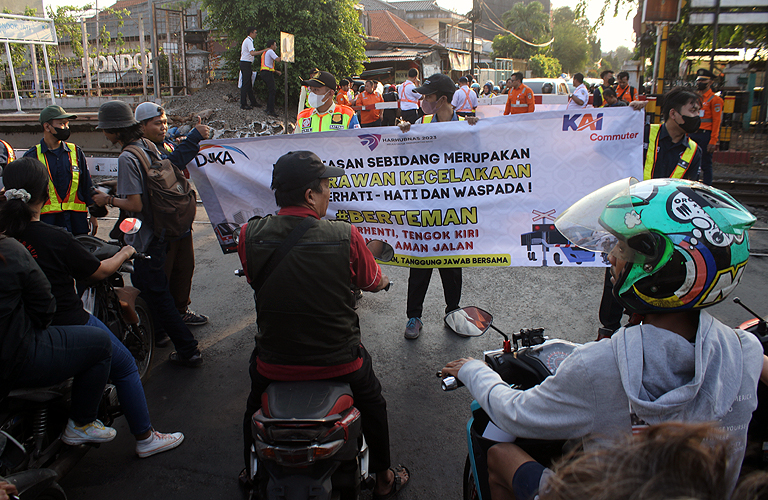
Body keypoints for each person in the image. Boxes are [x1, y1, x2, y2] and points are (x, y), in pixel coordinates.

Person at [442, 177, 761, 500]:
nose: (611, 257)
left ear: (660, 268)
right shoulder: (744, 351)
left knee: (498, 457)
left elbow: (514, 413)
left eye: (622, 247)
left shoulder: (599, 368)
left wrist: (471, 369)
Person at [238, 151, 408, 499]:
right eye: (325, 185)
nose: (329, 191)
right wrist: (383, 280)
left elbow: (254, 276)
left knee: (252, 404)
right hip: (340, 359)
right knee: (373, 404)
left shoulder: (248, 234)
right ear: (309, 194)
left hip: (274, 360)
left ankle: (249, 470)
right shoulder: (346, 235)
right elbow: (373, 280)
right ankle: (385, 478)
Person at [0, 157, 185, 458]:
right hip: (65, 320)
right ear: (46, 192)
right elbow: (97, 271)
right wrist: (124, 252)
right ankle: (145, 437)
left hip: (18, 325)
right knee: (122, 364)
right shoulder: (53, 237)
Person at [0, 169, 118, 445]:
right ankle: (83, 422)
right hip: (10, 356)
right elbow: (45, 307)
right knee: (100, 344)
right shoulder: (6, 249)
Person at [91, 101, 202, 367]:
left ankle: (188, 350)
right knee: (156, 291)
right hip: (163, 229)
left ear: (116, 131)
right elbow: (149, 181)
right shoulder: (147, 146)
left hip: (146, 236)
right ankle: (162, 336)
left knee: (156, 293)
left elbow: (135, 204)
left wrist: (106, 200)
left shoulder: (127, 157)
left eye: (106, 130)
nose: (105, 135)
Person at [596, 87, 702, 338]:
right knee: (618, 272)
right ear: (674, 114)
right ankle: (608, 330)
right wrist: (625, 116)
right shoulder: (643, 132)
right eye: (693, 110)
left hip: (665, 228)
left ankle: (641, 329)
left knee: (655, 278)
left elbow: (690, 190)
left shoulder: (694, 151)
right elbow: (603, 147)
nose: (699, 115)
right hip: (630, 220)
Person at [398, 73, 478, 340]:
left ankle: (453, 312)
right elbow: (403, 162)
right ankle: (414, 316)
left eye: (427, 96)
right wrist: (403, 138)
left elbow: (481, 163)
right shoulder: (422, 123)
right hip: (425, 208)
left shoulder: (467, 125)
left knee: (452, 265)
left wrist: (476, 133)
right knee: (419, 263)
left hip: (454, 210)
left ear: (442, 99)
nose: (423, 100)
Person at [134, 102, 210, 330]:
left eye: (165, 122)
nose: (163, 127)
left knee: (183, 268)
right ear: (141, 126)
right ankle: (160, 323)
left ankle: (181, 311)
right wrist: (193, 139)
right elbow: (171, 165)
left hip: (179, 220)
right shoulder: (141, 150)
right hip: (161, 224)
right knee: (162, 276)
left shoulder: (164, 145)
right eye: (158, 123)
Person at [540, 422, 732, 500]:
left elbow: (519, 413)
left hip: (612, 485)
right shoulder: (745, 348)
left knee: (508, 453)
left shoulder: (596, 363)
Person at [22, 105, 95, 236]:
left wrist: (94, 214)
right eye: (61, 124)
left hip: (76, 223)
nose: (66, 128)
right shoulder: (32, 156)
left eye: (67, 124)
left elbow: (86, 185)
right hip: (47, 223)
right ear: (47, 127)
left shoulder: (75, 152)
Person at [294, 71, 360, 133]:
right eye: (310, 90)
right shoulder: (303, 116)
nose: (312, 93)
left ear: (330, 93)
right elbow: (295, 142)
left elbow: (358, 142)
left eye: (316, 90)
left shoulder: (347, 114)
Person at [689, 68, 723, 185]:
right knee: (690, 162)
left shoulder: (715, 100)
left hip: (705, 135)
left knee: (705, 164)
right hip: (693, 133)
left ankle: (707, 187)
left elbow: (717, 121)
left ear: (710, 82)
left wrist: (713, 140)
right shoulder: (695, 98)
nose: (699, 83)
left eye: (703, 80)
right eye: (698, 80)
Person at [239, 27, 266, 111]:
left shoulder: (248, 41)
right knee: (246, 84)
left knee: (249, 84)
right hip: (245, 63)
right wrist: (264, 50)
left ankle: (252, 101)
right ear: (251, 33)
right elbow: (252, 53)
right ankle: (243, 103)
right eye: (255, 32)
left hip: (246, 63)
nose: (256, 34)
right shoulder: (248, 41)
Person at [259, 40, 282, 118]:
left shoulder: (265, 52)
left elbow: (267, 64)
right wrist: (285, 56)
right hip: (267, 73)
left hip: (264, 72)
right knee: (273, 91)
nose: (276, 47)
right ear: (271, 46)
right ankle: (271, 110)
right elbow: (278, 60)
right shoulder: (270, 51)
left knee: (270, 91)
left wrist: (276, 71)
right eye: (275, 45)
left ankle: (268, 109)